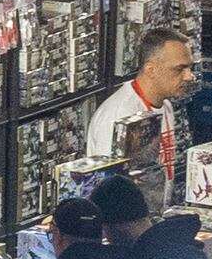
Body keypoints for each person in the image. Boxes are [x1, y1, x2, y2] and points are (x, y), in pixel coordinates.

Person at [86, 20, 202, 207]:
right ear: (150, 69)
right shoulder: (119, 114)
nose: (189, 76)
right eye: (179, 69)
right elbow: (106, 187)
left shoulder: (165, 106)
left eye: (190, 68)